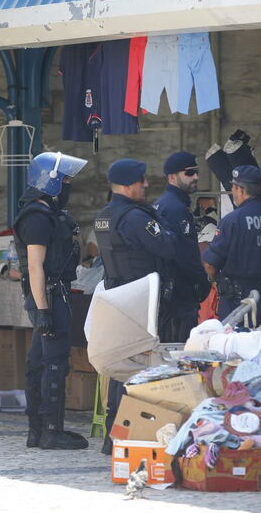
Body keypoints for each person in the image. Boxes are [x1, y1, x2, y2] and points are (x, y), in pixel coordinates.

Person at [93, 158, 179, 454]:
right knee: (141, 369)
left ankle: (112, 435)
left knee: (122, 365)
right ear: (129, 185)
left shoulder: (105, 215)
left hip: (119, 299)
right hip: (141, 301)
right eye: (141, 180)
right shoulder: (135, 217)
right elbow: (167, 247)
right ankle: (128, 432)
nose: (145, 185)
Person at [13, 151, 89, 451]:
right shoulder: (37, 217)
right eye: (66, 179)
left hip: (51, 292)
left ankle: (37, 431)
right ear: (52, 181)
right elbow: (35, 266)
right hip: (50, 294)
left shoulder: (46, 214)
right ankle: (51, 432)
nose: (70, 185)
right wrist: (44, 310)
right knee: (55, 362)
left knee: (38, 361)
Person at [202, 165, 261, 328]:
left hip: (237, 302)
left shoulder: (232, 220)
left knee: (235, 351)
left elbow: (210, 264)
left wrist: (216, 281)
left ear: (241, 190)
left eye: (233, 187)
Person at [153, 152, 210, 341]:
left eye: (196, 172)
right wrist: (203, 283)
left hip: (172, 294)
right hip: (178, 296)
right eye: (189, 173)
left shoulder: (169, 205)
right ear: (171, 176)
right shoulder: (174, 208)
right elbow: (185, 256)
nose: (196, 177)